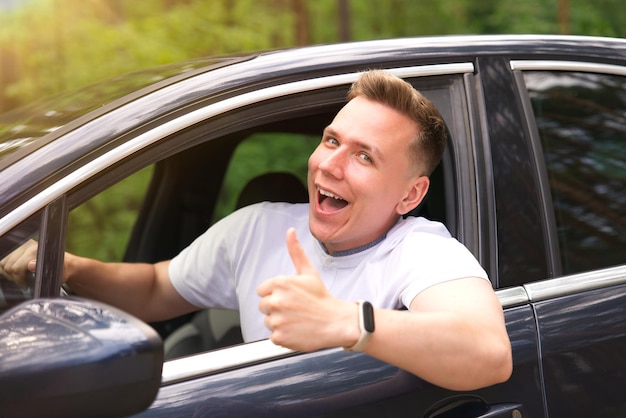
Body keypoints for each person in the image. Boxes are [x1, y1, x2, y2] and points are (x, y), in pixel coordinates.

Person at [0, 70, 512, 391]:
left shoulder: (422, 250)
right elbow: (157, 289)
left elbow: (488, 354)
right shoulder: (261, 227)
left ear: (409, 196)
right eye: (332, 140)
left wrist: (345, 323)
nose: (330, 165)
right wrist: (69, 268)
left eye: (364, 156)